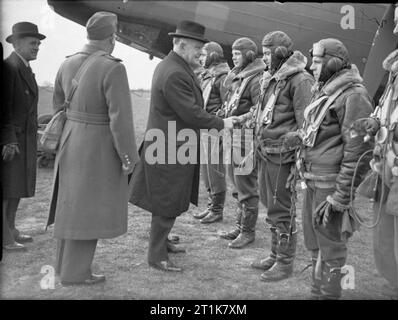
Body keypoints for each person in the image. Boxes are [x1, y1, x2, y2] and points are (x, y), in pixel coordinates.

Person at [130, 20, 237, 272]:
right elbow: (191, 113)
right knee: (166, 201)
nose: (201, 53)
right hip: (169, 147)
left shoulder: (174, 66)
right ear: (180, 44)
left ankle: (163, 243)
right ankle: (157, 256)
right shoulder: (175, 72)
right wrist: (223, 122)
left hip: (172, 144)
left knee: (169, 198)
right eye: (197, 48)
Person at [47, 11, 139, 285]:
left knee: (70, 206)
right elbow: (120, 121)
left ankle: (64, 268)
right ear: (112, 38)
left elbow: (58, 106)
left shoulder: (66, 63)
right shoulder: (113, 67)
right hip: (97, 147)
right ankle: (76, 274)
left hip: (70, 141)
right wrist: (128, 158)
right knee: (88, 210)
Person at [298, 38, 373, 299]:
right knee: (314, 241)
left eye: (317, 62)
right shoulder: (328, 91)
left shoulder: (354, 96)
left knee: (332, 247)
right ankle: (317, 291)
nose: (311, 67)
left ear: (332, 63)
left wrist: (340, 197)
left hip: (329, 185)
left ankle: (329, 295)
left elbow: (358, 152)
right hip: (313, 179)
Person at [238, 31, 314, 281]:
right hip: (266, 150)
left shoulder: (300, 80)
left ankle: (284, 262)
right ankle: (274, 253)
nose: (265, 57)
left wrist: (292, 146)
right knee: (270, 205)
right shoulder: (272, 78)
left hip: (283, 156)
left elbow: (306, 123)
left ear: (281, 52)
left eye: (269, 52)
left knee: (282, 207)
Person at [350, 4, 398, 298]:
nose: (394, 30)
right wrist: (374, 121)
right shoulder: (394, 70)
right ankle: (394, 279)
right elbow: (388, 111)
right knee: (384, 231)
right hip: (387, 163)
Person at [1, 22, 46, 250]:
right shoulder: (9, 67)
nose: (37, 47)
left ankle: (10, 229)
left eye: (38, 43)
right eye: (32, 43)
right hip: (11, 142)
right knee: (8, 191)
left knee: (16, 189)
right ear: (17, 43)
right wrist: (8, 139)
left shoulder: (23, 67)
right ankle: (5, 237)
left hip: (22, 140)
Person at [218, 37, 265, 249]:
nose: (233, 56)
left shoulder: (257, 78)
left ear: (248, 55)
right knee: (237, 185)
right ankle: (239, 226)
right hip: (232, 136)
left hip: (244, 138)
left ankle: (247, 232)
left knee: (246, 186)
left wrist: (238, 119)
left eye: (237, 53)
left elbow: (259, 110)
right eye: (233, 53)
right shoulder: (238, 76)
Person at [193, 41, 230, 224]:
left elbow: (228, 105)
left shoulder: (223, 77)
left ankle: (217, 209)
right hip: (205, 127)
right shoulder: (207, 76)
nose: (200, 57)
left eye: (203, 54)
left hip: (215, 129)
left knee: (215, 171)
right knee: (207, 172)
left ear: (213, 56)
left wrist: (217, 119)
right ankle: (211, 206)